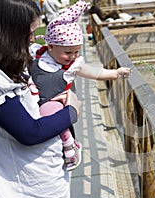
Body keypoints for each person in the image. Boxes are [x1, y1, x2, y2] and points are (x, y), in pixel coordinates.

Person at [30, 0, 132, 171]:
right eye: (68, 52)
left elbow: (94, 72)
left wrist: (115, 74)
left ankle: (69, 145)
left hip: (56, 106)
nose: (73, 56)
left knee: (53, 116)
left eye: (77, 51)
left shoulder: (71, 65)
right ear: (51, 46)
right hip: (35, 105)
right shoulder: (36, 56)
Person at [0, 0, 81, 198]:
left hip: (46, 176)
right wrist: (72, 111)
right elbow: (29, 133)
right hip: (26, 187)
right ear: (11, 33)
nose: (34, 38)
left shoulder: (14, 64)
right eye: (30, 33)